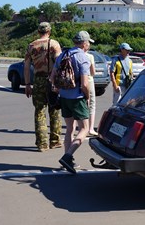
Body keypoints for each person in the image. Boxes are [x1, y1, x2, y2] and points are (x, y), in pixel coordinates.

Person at [51, 30, 92, 174]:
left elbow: (52, 77)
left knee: (69, 129)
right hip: (77, 98)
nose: (89, 46)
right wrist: (87, 97)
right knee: (84, 128)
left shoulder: (63, 54)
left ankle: (67, 159)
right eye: (88, 43)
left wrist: (60, 91)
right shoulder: (83, 57)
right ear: (84, 43)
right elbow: (85, 84)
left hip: (64, 97)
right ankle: (68, 156)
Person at [24, 22, 62, 152]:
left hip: (38, 80)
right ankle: (55, 141)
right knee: (54, 110)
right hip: (52, 79)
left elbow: (26, 66)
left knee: (39, 111)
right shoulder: (54, 44)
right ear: (49, 31)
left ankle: (42, 144)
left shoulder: (31, 46)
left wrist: (28, 84)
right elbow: (59, 63)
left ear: (38, 32)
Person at [83, 42, 97, 136]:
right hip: (89, 80)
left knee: (81, 103)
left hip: (78, 82)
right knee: (91, 104)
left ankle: (82, 127)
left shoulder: (74, 55)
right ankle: (90, 128)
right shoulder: (90, 56)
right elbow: (93, 72)